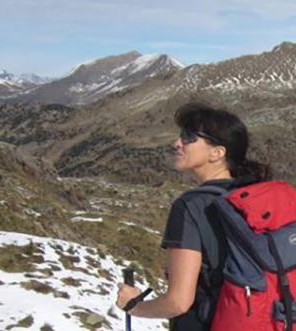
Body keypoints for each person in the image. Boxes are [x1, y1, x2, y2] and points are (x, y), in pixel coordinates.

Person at [116, 102, 272, 330]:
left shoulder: (190, 207)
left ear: (217, 153)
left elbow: (178, 302)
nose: (177, 143)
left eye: (189, 137)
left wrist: (133, 306)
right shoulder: (256, 197)